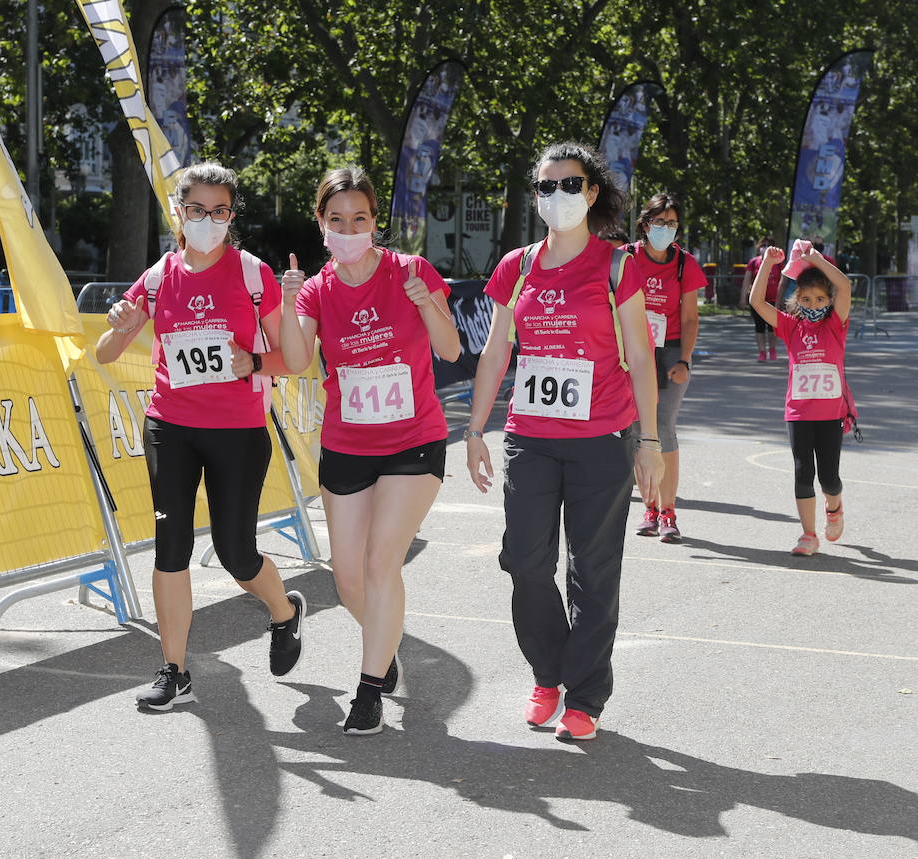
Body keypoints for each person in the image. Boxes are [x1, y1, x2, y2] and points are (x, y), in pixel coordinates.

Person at [464, 142, 663, 743]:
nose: (558, 197)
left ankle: (585, 696)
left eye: (570, 185)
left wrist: (650, 440)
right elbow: (497, 349)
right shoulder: (517, 265)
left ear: (592, 192)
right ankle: (547, 673)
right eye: (546, 187)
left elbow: (643, 358)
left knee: (593, 570)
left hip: (603, 438)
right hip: (531, 438)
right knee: (525, 561)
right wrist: (474, 431)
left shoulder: (617, 265)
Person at [95, 161, 305, 711]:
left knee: (237, 554)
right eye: (197, 210)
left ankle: (284, 612)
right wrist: (118, 328)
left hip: (238, 430)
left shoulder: (255, 275)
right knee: (172, 550)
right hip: (171, 426)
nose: (208, 220)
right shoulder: (159, 276)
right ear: (178, 213)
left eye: (219, 211)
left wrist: (251, 360)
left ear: (231, 216)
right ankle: (174, 670)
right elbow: (104, 354)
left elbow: (293, 357)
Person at [280, 166, 460, 735]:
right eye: (337, 219)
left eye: (360, 218)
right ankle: (386, 646)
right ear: (322, 224)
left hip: (414, 440)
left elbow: (451, 348)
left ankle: (369, 688)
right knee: (347, 579)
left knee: (382, 563)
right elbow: (294, 359)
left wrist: (425, 302)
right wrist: (287, 305)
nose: (349, 227)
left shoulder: (411, 270)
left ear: (374, 223)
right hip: (347, 443)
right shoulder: (314, 288)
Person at [750, 242, 852, 556]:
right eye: (806, 298)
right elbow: (756, 301)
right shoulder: (791, 326)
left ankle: (834, 507)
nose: (813, 303)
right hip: (798, 413)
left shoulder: (836, 324)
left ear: (830, 301)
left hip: (830, 413)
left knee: (829, 478)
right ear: (797, 300)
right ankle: (808, 534)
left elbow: (845, 285)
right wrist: (767, 263)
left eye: (820, 298)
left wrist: (816, 259)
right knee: (802, 471)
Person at [627, 193, 706, 543]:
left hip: (670, 350)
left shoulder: (683, 264)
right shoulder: (626, 258)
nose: (665, 229)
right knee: (635, 428)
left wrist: (685, 360)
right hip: (632, 350)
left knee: (663, 427)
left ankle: (668, 510)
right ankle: (649, 507)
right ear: (645, 225)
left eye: (672, 224)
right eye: (659, 222)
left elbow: (690, 318)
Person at [739, 235, 778, 361]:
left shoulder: (778, 262)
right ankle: (762, 352)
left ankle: (772, 349)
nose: (765, 248)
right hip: (757, 301)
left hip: (773, 300)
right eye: (763, 245)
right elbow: (746, 281)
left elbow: (783, 281)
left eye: (768, 245)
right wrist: (743, 297)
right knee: (759, 327)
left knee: (772, 328)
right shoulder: (753, 262)